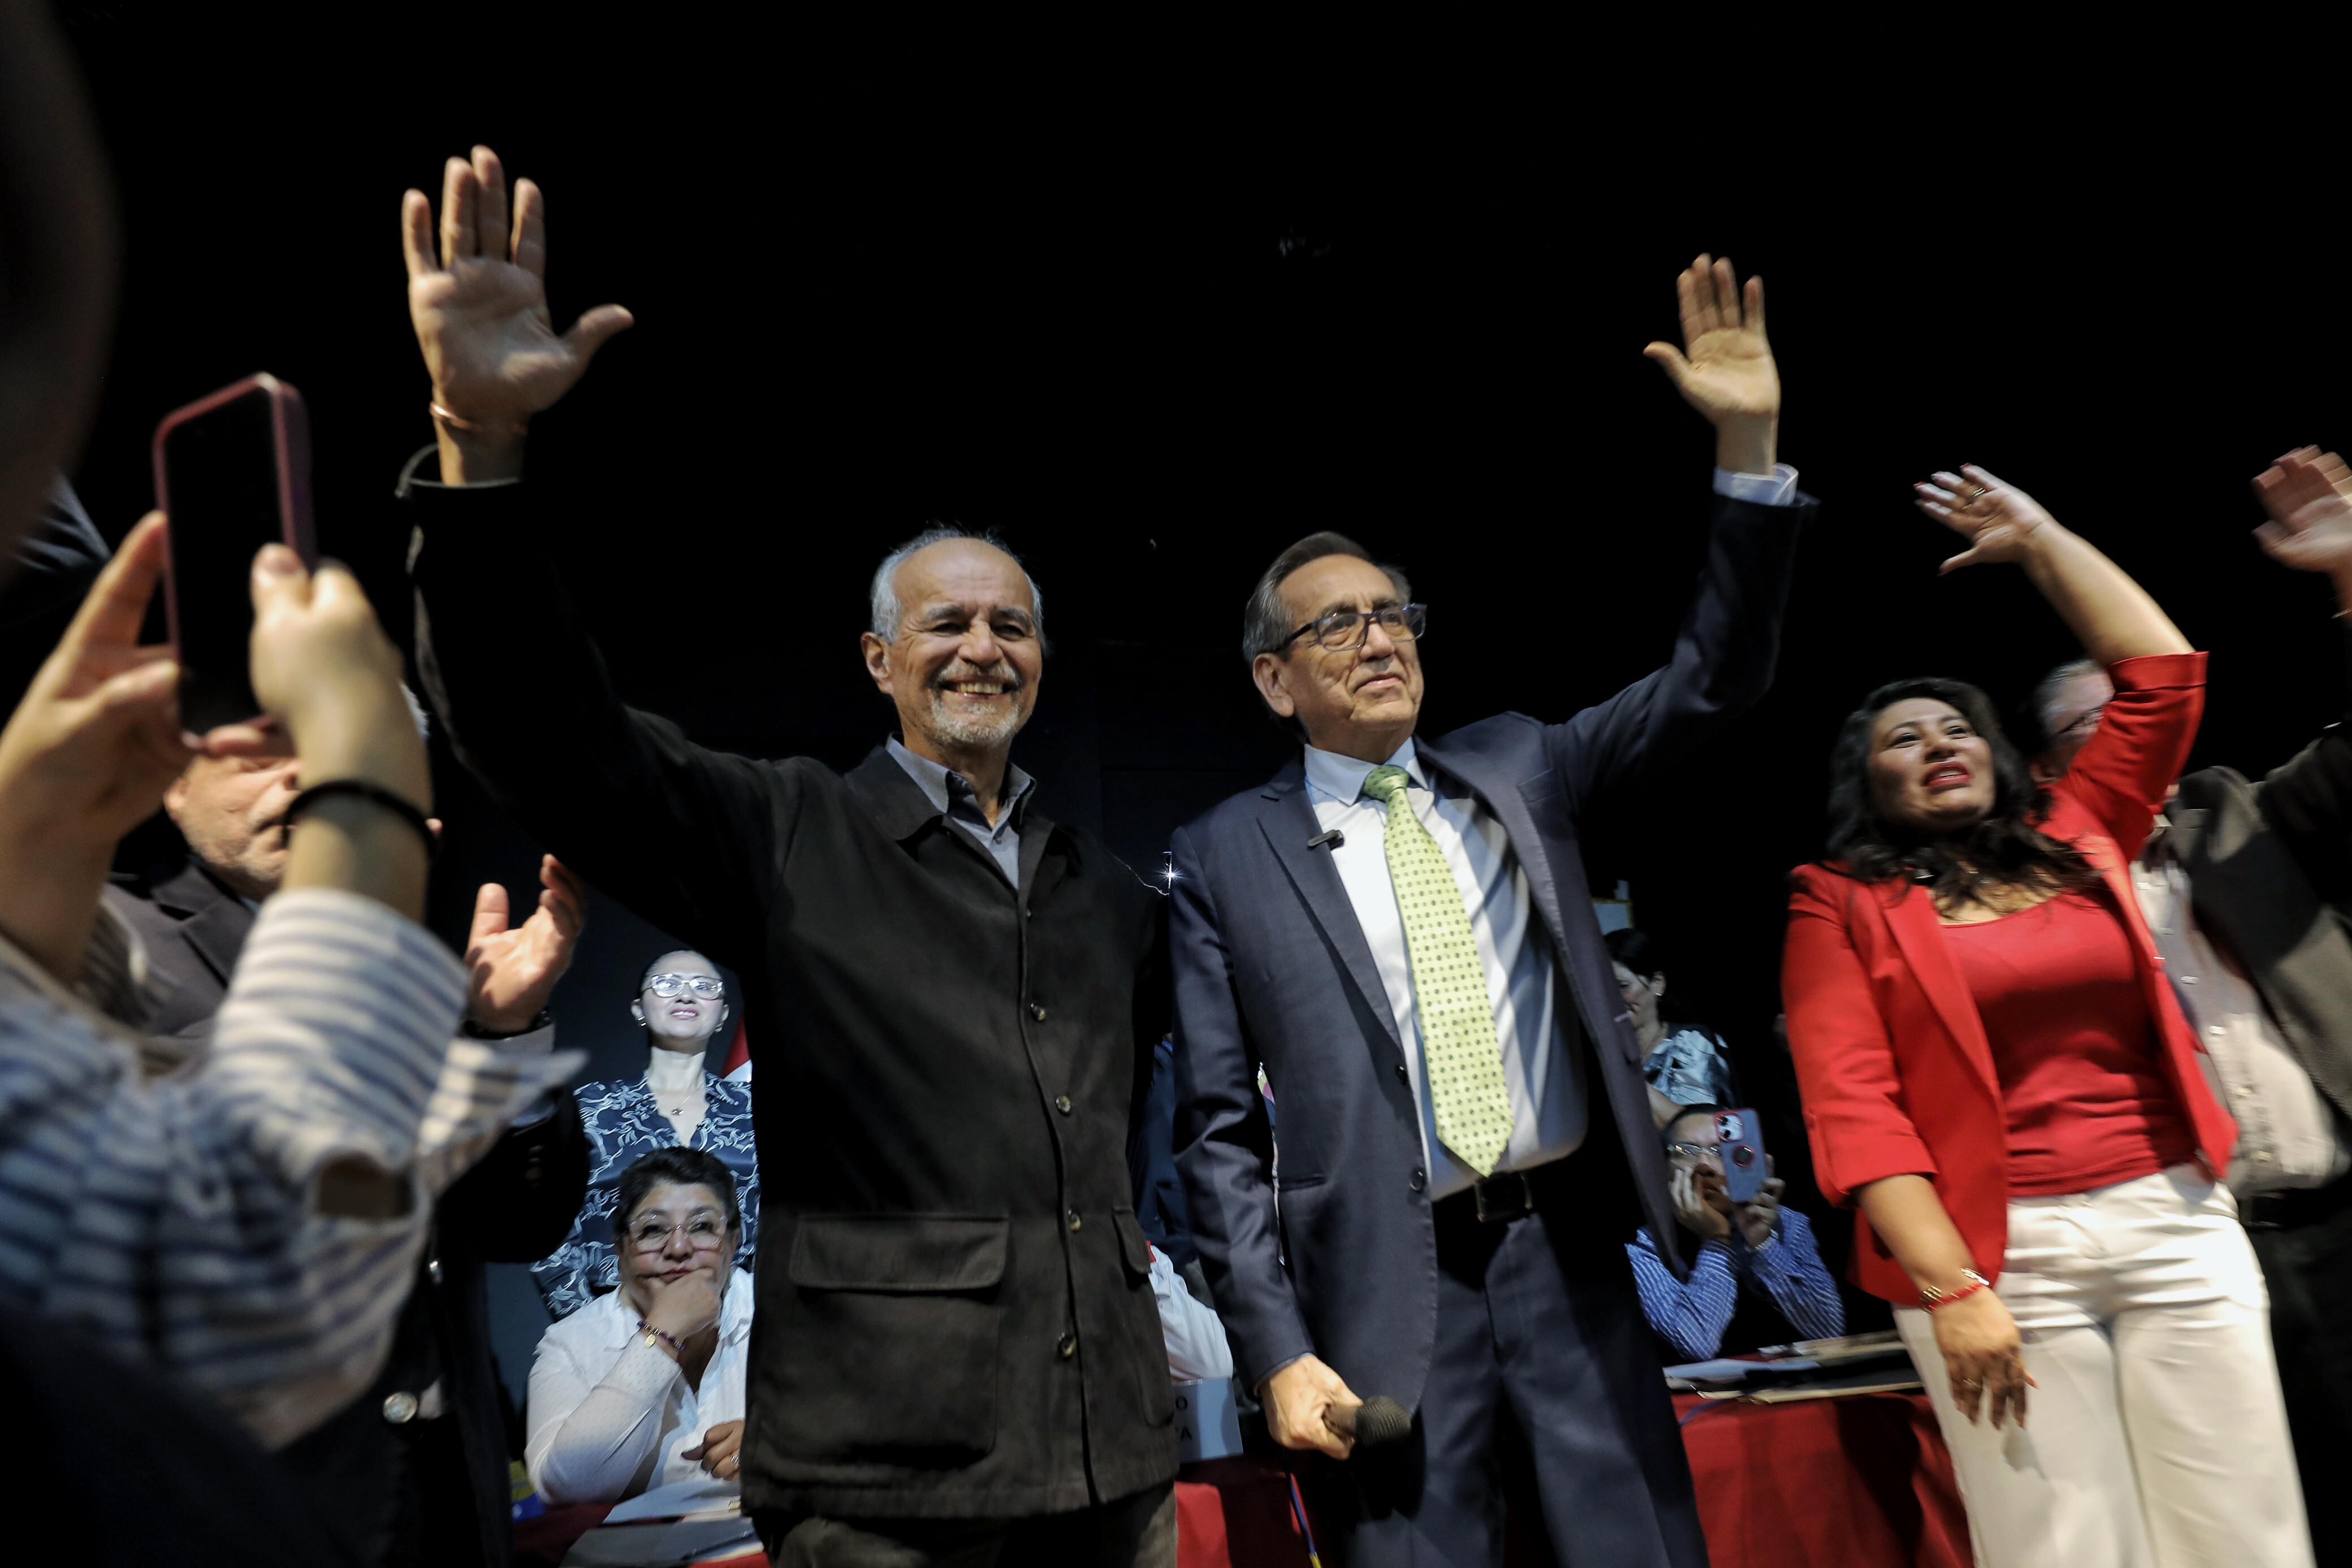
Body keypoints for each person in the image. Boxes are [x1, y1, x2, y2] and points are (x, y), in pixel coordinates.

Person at [395, 145, 1176, 1564]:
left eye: (1011, 625)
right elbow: (553, 735)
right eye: (945, 625)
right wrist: (480, 455)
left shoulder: (1107, 898)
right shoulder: (789, 831)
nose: (982, 647)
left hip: (1115, 1471)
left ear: (1045, 663)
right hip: (890, 1496)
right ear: (879, 661)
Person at [1170, 255, 1811, 1565]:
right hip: (1386, 1302)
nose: (1379, 636)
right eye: (1337, 624)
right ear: (1273, 680)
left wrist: (1746, 449)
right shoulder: (1222, 855)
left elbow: (1713, 678)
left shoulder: (1519, 764)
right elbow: (1219, 1140)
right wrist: (1276, 1348)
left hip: (1573, 1262)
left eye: (1394, 611)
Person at [1783, 464, 2312, 1567]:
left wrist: (2041, 540)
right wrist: (1954, 1287)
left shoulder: (2082, 834)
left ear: (1999, 756)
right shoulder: (1838, 904)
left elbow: (2161, 677)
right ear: (1866, 782)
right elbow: (1855, 1112)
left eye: (1955, 726)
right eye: (1903, 738)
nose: (1936, 743)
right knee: (2065, 1545)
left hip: (2174, 1217)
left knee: (2246, 1535)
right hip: (1996, 1252)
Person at [0, 512, 580, 1448]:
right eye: (265, 748)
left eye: (344, 752)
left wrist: (504, 1035)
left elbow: (521, 1226)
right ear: (172, 780)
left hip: (441, 1490)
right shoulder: (91, 940)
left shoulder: (422, 977)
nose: (304, 774)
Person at [2026, 445, 2352, 1561]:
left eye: (2143, 712)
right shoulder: (2028, 904)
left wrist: (2350, 577)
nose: (2138, 738)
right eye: (2099, 726)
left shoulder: (2244, 816)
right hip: (2192, 1256)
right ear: (2049, 770)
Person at [534, 949, 759, 1319]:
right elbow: (546, 1224)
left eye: (704, 987)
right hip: (615, 1318)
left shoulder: (756, 1111)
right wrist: (585, 1325)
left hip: (740, 1324)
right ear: (639, 1009)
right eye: (667, 984)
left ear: (722, 1016)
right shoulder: (592, 1109)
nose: (686, 995)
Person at [528, 1147, 754, 1503]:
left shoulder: (788, 1311)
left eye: (703, 1227)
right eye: (652, 1230)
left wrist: (781, 1444)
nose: (678, 1248)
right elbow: (564, 1489)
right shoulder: (569, 1344)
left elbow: (866, 1428)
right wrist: (663, 1333)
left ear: (733, 1242)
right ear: (620, 1250)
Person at [1626, 1105, 1841, 1362]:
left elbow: (1829, 1332)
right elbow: (1697, 1344)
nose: (1705, 1165)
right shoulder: (1644, 1246)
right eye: (1687, 1151)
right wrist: (1717, 1242)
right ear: (1664, 1168)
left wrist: (1763, 1243)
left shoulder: (1785, 1222)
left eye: (1720, 1151)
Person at [1607, 925, 1740, 1126]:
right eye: (1604, 989)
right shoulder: (1597, 1049)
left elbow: (1698, 1128)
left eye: (1623, 987)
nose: (1612, 998)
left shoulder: (1691, 1043)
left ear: (1657, 984)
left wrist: (1626, 1075)